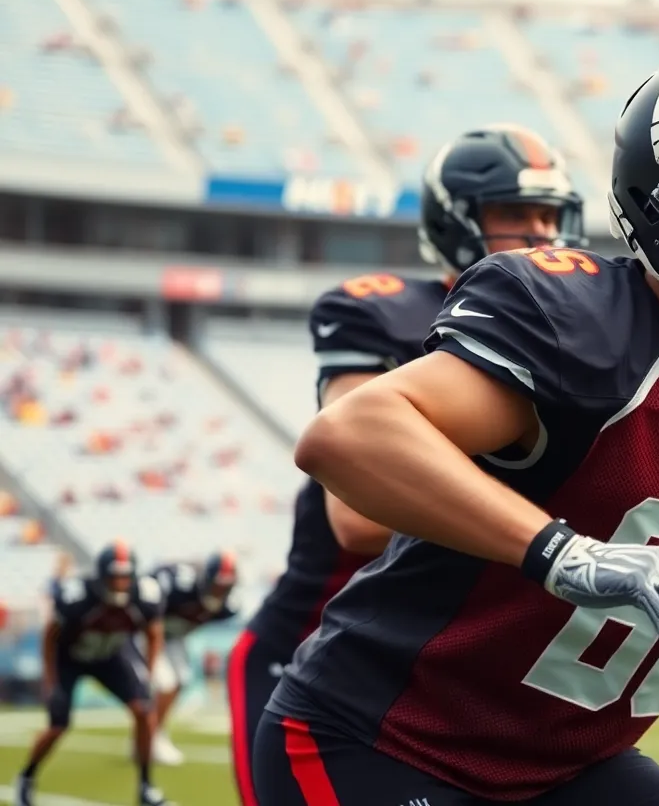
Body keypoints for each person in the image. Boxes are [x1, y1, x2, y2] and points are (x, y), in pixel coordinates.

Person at [254, 46, 659, 806]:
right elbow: (344, 435)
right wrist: (561, 553)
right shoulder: (583, 324)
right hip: (385, 739)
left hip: (565, 767)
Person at [226, 123, 585, 806]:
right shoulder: (384, 312)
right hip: (317, 643)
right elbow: (358, 521)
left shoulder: (575, 330)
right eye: (515, 213)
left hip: (440, 655)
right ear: (454, 223)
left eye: (550, 214)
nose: (541, 233)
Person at [15, 541, 173, 806]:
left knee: (145, 710)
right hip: (71, 658)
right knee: (57, 726)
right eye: (115, 576)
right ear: (102, 575)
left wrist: (149, 670)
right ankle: (26, 777)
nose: (120, 583)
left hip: (111, 654)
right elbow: (50, 636)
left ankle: (146, 786)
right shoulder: (78, 596)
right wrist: (51, 680)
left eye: (125, 576)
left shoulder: (143, 595)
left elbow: (154, 631)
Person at [130, 551, 239, 765]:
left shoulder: (228, 606)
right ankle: (149, 738)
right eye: (217, 584)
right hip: (150, 633)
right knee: (165, 683)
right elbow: (147, 594)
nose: (220, 591)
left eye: (225, 586)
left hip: (174, 638)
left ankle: (150, 734)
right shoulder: (178, 585)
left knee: (181, 679)